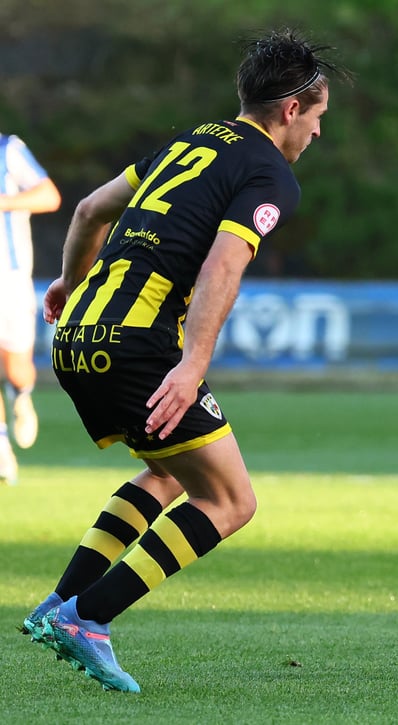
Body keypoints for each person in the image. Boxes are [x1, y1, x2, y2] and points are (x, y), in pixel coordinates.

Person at [22, 29, 348, 693]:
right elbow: (224, 262)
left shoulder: (191, 141)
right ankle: (89, 617)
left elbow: (89, 209)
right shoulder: (270, 175)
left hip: (78, 336)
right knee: (230, 498)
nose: (317, 134)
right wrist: (192, 363)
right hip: (136, 346)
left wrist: (67, 282)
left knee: (166, 473)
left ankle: (58, 604)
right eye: (317, 119)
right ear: (291, 110)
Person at [0, 132, 61, 484]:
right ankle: (2, 449)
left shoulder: (8, 150)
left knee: (15, 367)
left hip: (8, 279)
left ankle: (21, 395)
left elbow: (49, 196)